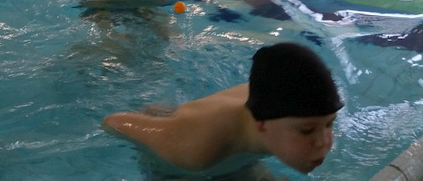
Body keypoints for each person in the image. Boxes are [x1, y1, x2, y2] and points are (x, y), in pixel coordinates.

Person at [103, 42, 342, 175]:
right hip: (179, 162)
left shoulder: (280, 104)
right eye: (307, 130)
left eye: (329, 123)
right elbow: (114, 122)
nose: (323, 143)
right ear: (261, 123)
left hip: (231, 151)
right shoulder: (196, 149)